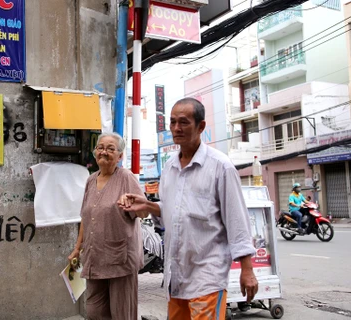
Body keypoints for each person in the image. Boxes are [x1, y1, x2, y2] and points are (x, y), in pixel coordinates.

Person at [118, 98, 259, 320]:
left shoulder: (221, 167)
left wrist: (247, 270)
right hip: (177, 275)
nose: (176, 128)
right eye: (172, 122)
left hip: (208, 275)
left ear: (201, 126)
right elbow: (173, 213)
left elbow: (237, 220)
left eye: (183, 122)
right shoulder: (169, 167)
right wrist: (148, 206)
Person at [68, 132, 147, 320]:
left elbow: (143, 212)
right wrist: (77, 249)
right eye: (100, 147)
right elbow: (86, 219)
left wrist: (135, 204)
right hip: (95, 258)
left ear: (120, 156)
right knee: (94, 312)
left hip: (120, 258)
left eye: (110, 149)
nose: (104, 152)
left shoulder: (126, 177)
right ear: (95, 152)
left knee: (121, 314)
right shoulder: (90, 180)